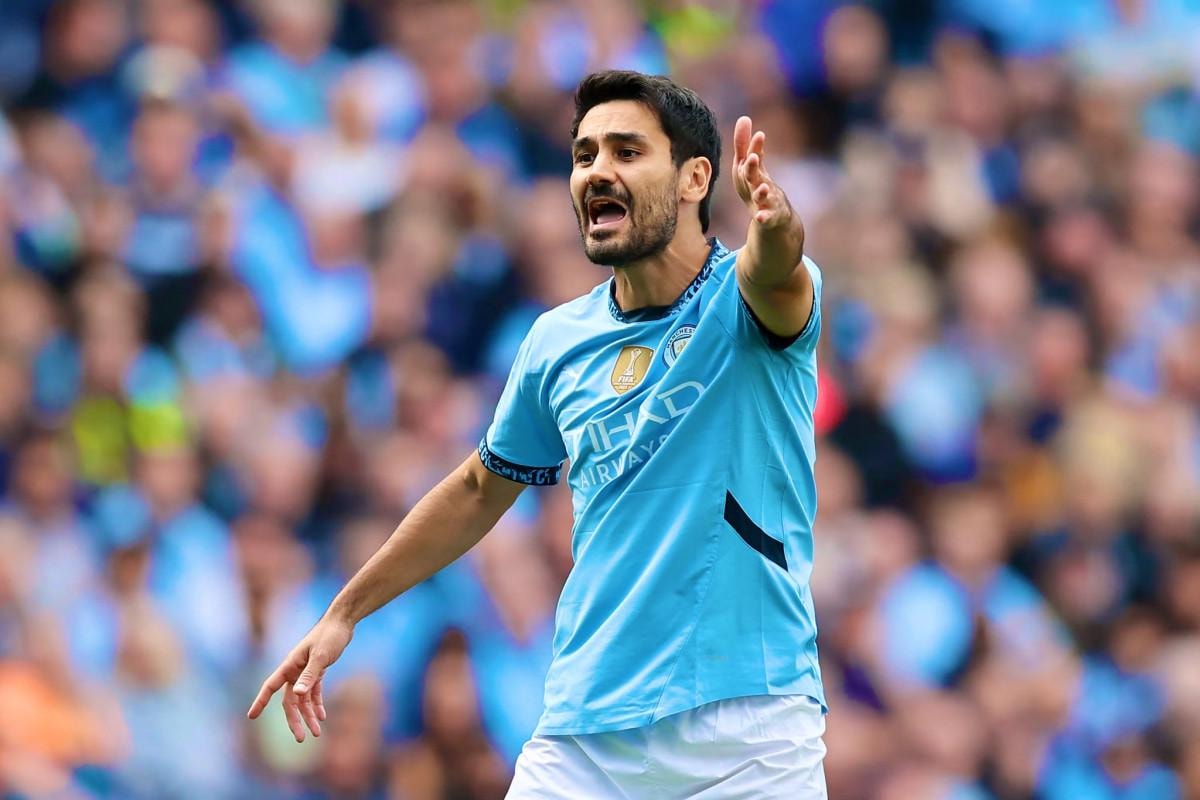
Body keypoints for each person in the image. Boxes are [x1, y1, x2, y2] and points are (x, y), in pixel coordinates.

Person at [248, 70, 827, 798]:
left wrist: (776, 225)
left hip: (748, 725)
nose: (597, 172)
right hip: (588, 730)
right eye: (584, 155)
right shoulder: (558, 340)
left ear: (694, 179)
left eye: (626, 151)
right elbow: (476, 490)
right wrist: (345, 612)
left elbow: (778, 269)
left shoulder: (748, 298)